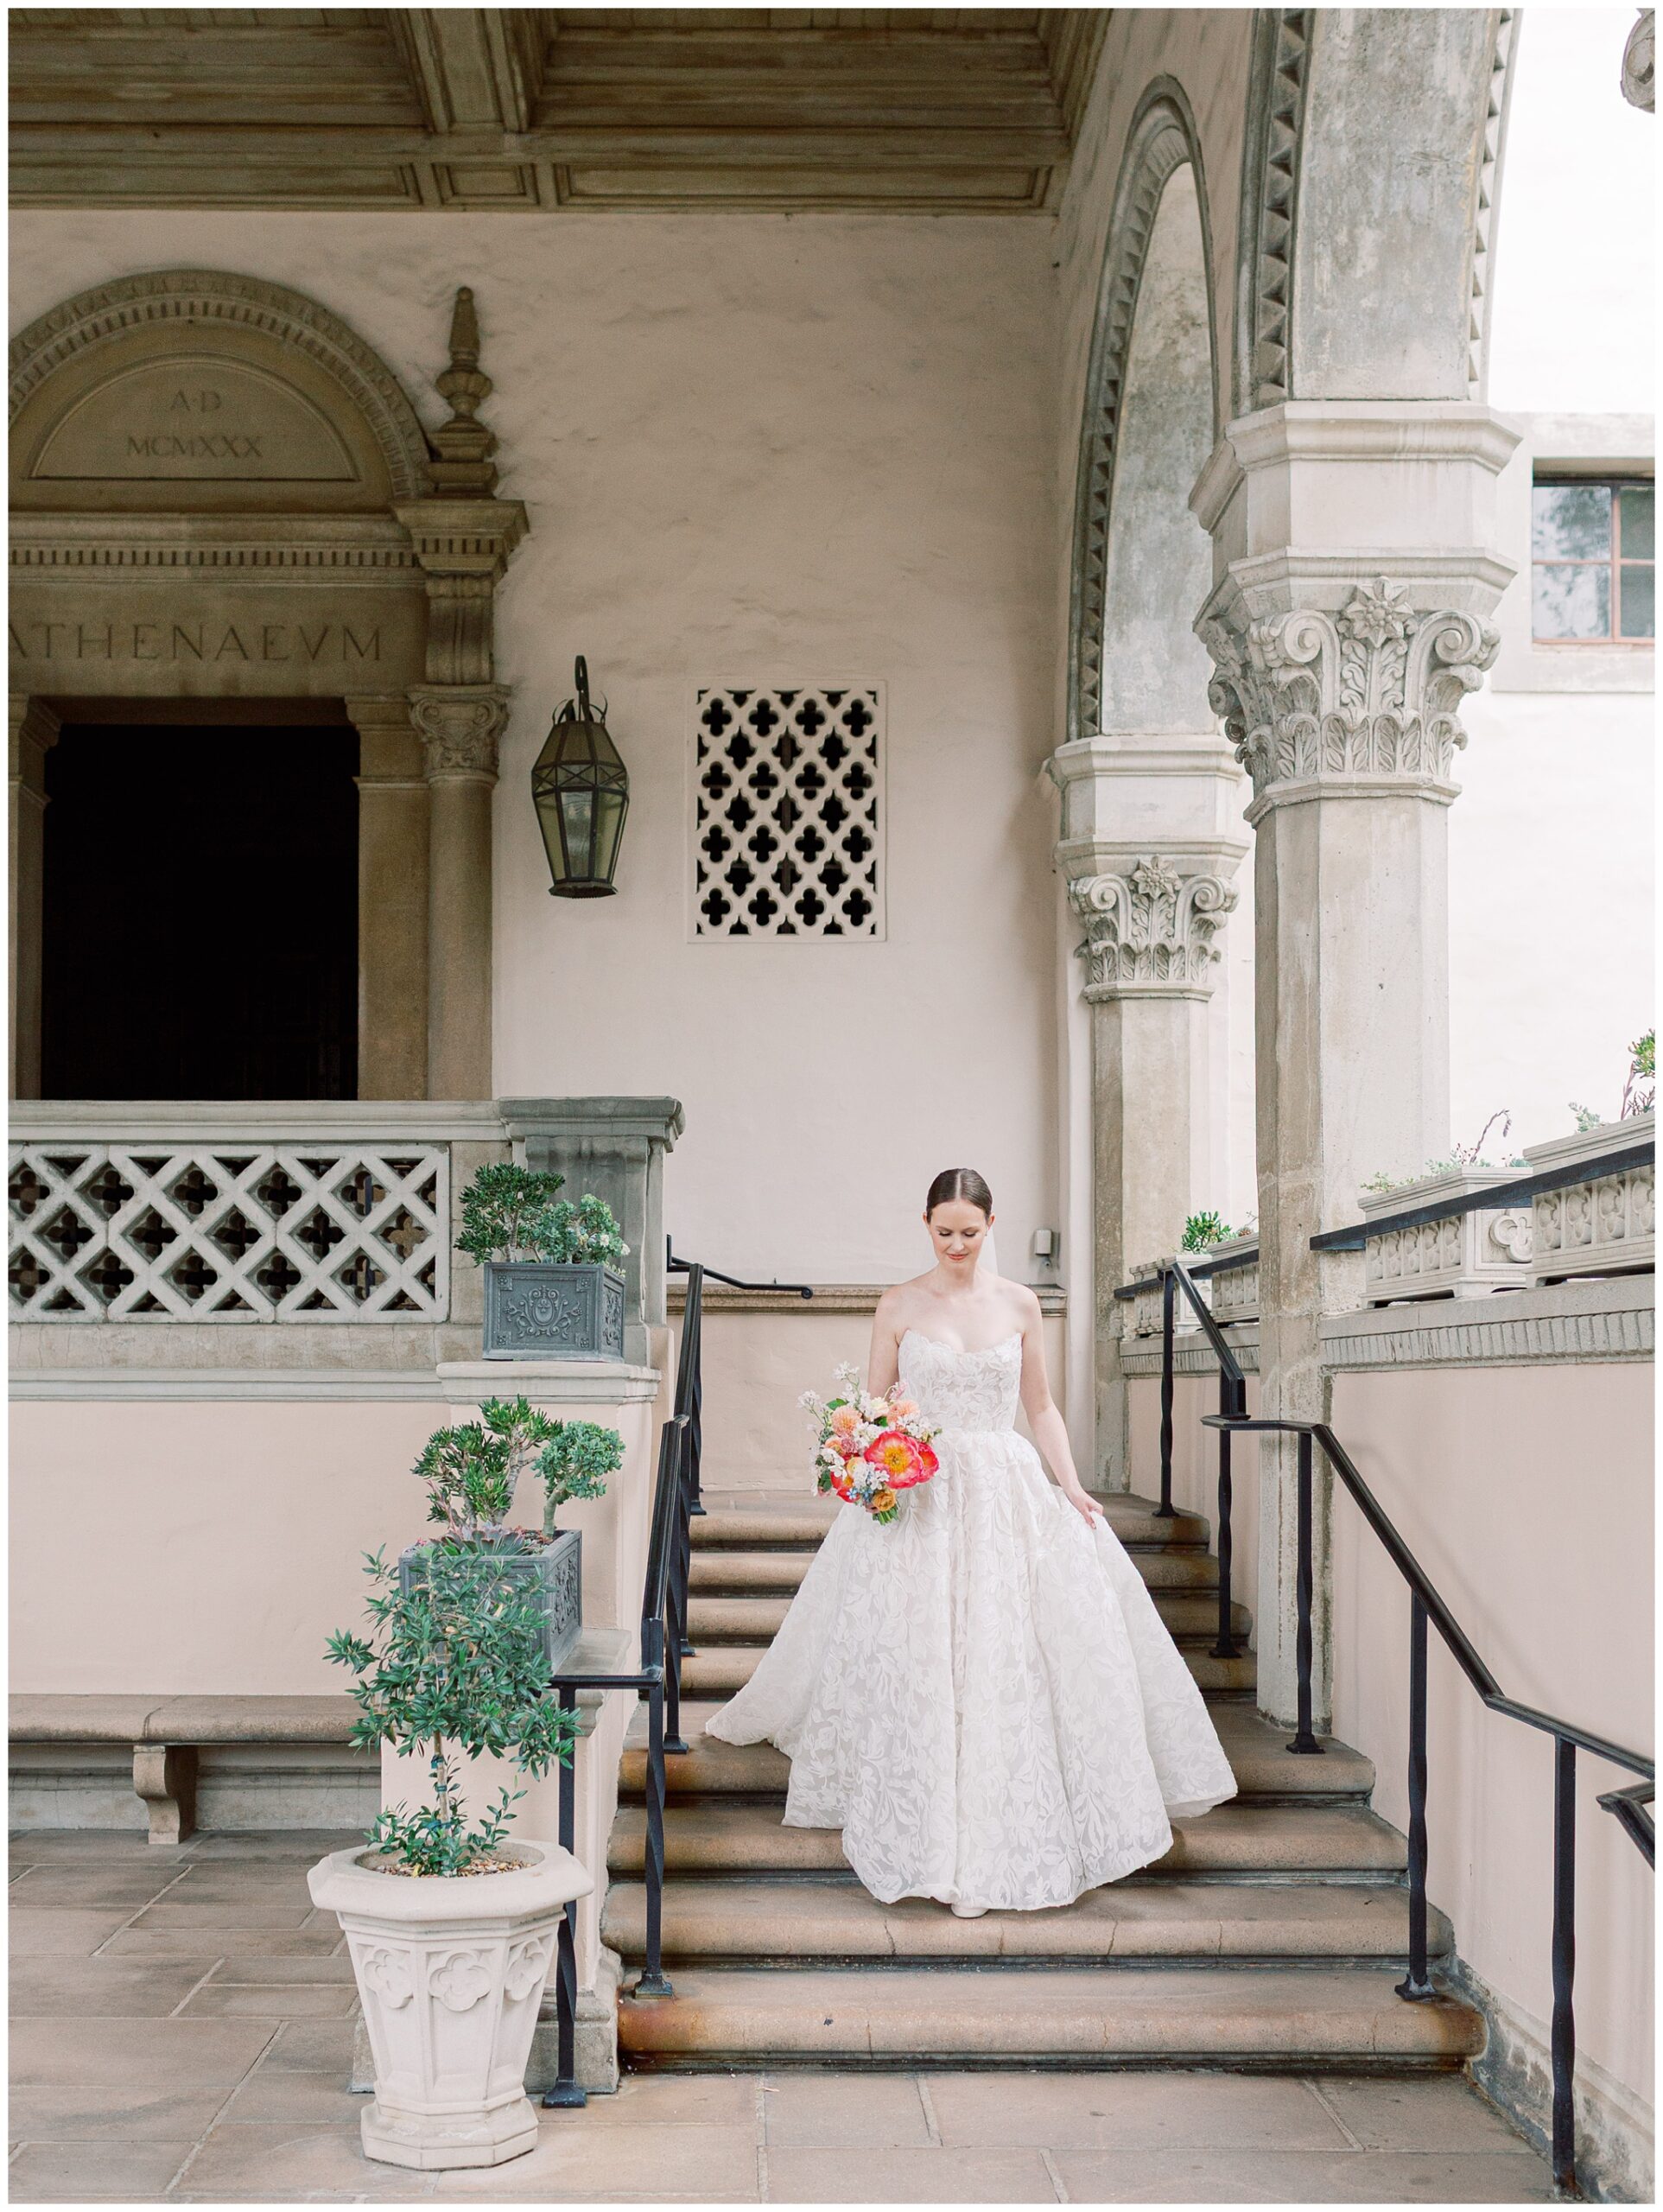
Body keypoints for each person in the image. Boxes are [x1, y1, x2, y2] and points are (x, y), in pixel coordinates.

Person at [706, 1166, 1237, 1916]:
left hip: (1001, 1485)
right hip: (921, 1488)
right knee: (919, 1650)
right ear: (924, 1223)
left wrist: (1072, 1484)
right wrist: (862, 1461)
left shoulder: (1020, 1304)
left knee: (1001, 1650)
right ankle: (919, 1821)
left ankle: (992, 1838)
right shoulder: (897, 1303)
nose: (956, 1244)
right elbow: (875, 1406)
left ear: (990, 1226)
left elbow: (1041, 1407)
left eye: (970, 1232)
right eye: (943, 1231)